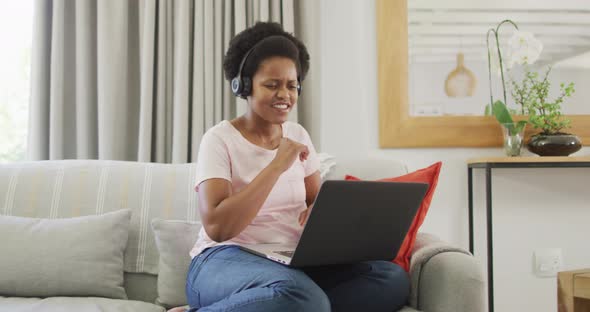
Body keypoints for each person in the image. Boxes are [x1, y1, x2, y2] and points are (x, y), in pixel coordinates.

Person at [184, 22, 410, 312]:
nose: (285, 95)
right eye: (272, 85)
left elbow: (315, 199)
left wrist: (319, 212)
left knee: (389, 278)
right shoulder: (219, 139)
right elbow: (218, 227)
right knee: (302, 297)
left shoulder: (298, 134)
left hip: (289, 262)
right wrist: (277, 164)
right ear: (244, 85)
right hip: (223, 259)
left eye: (292, 85)